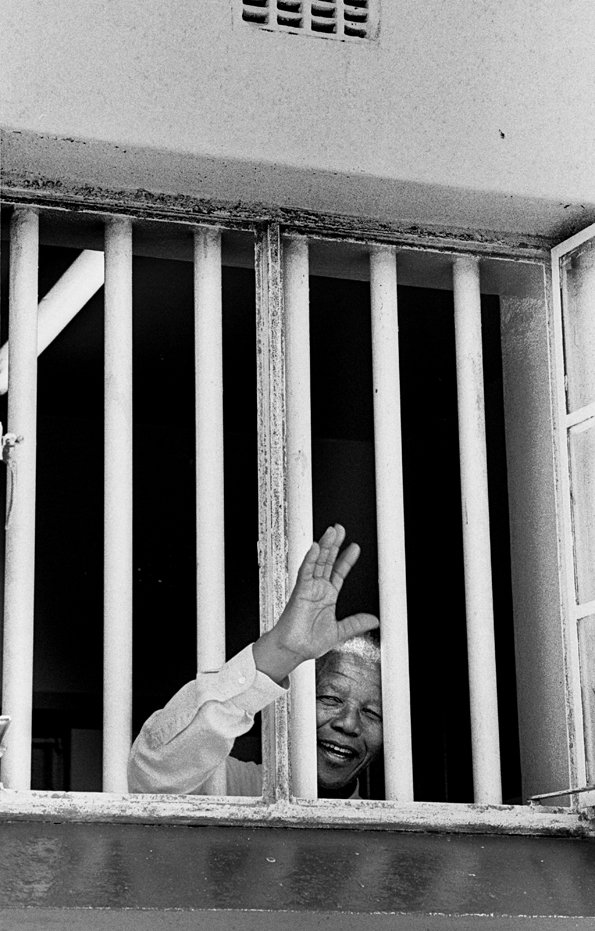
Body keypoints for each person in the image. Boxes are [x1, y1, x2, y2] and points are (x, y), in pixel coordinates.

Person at [128, 524, 382, 798]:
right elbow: (152, 779)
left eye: (372, 713)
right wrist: (281, 654)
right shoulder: (232, 788)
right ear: (292, 707)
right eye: (331, 699)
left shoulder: (390, 830)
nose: (349, 724)